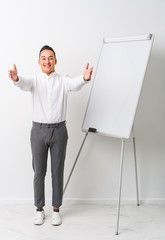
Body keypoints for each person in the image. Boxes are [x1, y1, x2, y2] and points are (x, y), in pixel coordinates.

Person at [8, 45, 93, 226]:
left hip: (60, 131)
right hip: (38, 131)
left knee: (57, 171)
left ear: (55, 61)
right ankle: (39, 210)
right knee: (39, 172)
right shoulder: (34, 80)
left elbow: (75, 84)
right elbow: (23, 83)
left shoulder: (63, 80)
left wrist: (85, 79)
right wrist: (16, 78)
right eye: (44, 58)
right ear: (39, 61)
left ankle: (56, 210)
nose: (47, 61)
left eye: (51, 57)